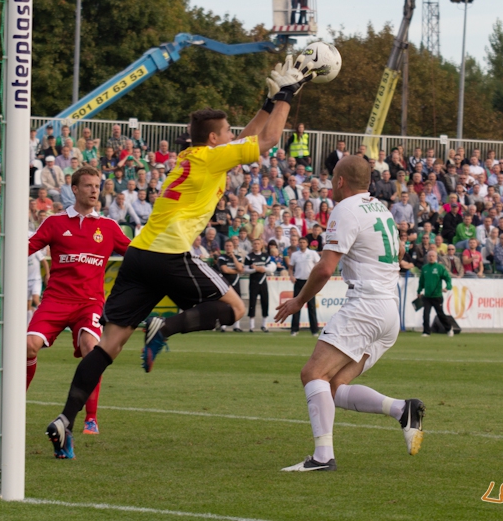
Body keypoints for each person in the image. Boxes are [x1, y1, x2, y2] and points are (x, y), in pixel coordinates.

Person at [44, 57, 312, 459]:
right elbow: (266, 141)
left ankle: (64, 420)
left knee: (110, 346)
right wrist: (289, 98)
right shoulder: (209, 157)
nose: (231, 137)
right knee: (234, 308)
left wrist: (270, 100)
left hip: (139, 255)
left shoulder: (194, 156)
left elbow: (246, 136)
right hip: (169, 253)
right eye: (225, 133)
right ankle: (163, 330)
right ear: (213, 139)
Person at [275, 155, 425, 472]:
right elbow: (399, 252)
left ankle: (322, 457)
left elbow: (326, 268)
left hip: (365, 306)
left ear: (340, 181)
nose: (331, 184)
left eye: (332, 179)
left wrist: (298, 300)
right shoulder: (381, 209)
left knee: (312, 374)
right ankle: (402, 410)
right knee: (333, 387)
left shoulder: (346, 208)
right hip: (388, 311)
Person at [28, 166, 131, 452]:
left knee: (91, 347)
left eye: (97, 185)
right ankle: (14, 406)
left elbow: (134, 253)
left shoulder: (109, 227)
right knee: (29, 346)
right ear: (74, 189)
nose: (94, 190)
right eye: (88, 186)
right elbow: (27, 247)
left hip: (90, 303)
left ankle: (91, 417)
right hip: (56, 301)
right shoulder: (54, 223)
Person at [288, 236, 320, 337]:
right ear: (298, 244)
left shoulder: (312, 253)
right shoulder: (295, 255)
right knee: (296, 305)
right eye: (300, 242)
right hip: (298, 281)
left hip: (309, 282)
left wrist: (316, 277)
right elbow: (291, 267)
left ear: (307, 244)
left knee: (311, 306)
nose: (302, 244)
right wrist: (291, 276)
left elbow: (319, 265)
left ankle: (314, 330)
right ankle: (294, 329)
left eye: (303, 242)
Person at [418, 250, 454, 337]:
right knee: (426, 314)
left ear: (436, 257)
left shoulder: (440, 267)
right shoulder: (424, 268)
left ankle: (449, 328)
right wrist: (419, 291)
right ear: (427, 257)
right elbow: (421, 281)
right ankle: (426, 331)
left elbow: (448, 278)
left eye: (433, 256)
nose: (431, 257)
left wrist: (447, 287)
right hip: (427, 296)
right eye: (429, 256)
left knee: (440, 314)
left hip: (437, 296)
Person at [244, 238, 276, 333]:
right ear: (252, 245)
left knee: (265, 302)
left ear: (261, 245)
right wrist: (257, 269)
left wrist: (257, 268)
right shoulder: (249, 257)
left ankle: (264, 325)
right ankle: (251, 326)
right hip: (253, 282)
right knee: (252, 303)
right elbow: (246, 270)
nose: (256, 245)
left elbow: (269, 268)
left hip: (263, 282)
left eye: (258, 243)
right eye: (255, 243)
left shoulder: (266, 256)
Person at [217, 240, 245, 332]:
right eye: (227, 246)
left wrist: (233, 257)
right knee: (225, 305)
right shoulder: (222, 258)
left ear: (233, 247)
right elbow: (225, 270)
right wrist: (237, 271)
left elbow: (240, 267)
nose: (228, 247)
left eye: (230, 246)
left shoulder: (238, 257)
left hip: (236, 283)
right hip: (225, 284)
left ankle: (236, 326)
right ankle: (223, 325)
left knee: (237, 304)